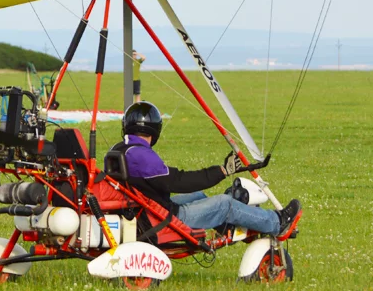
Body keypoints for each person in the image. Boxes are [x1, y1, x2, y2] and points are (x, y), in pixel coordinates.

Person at [107, 101, 301, 237]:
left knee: (198, 196)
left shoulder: (119, 149)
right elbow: (178, 182)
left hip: (143, 210)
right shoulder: (140, 155)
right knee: (225, 204)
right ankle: (277, 222)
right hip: (160, 219)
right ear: (154, 129)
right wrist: (223, 171)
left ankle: (227, 226)